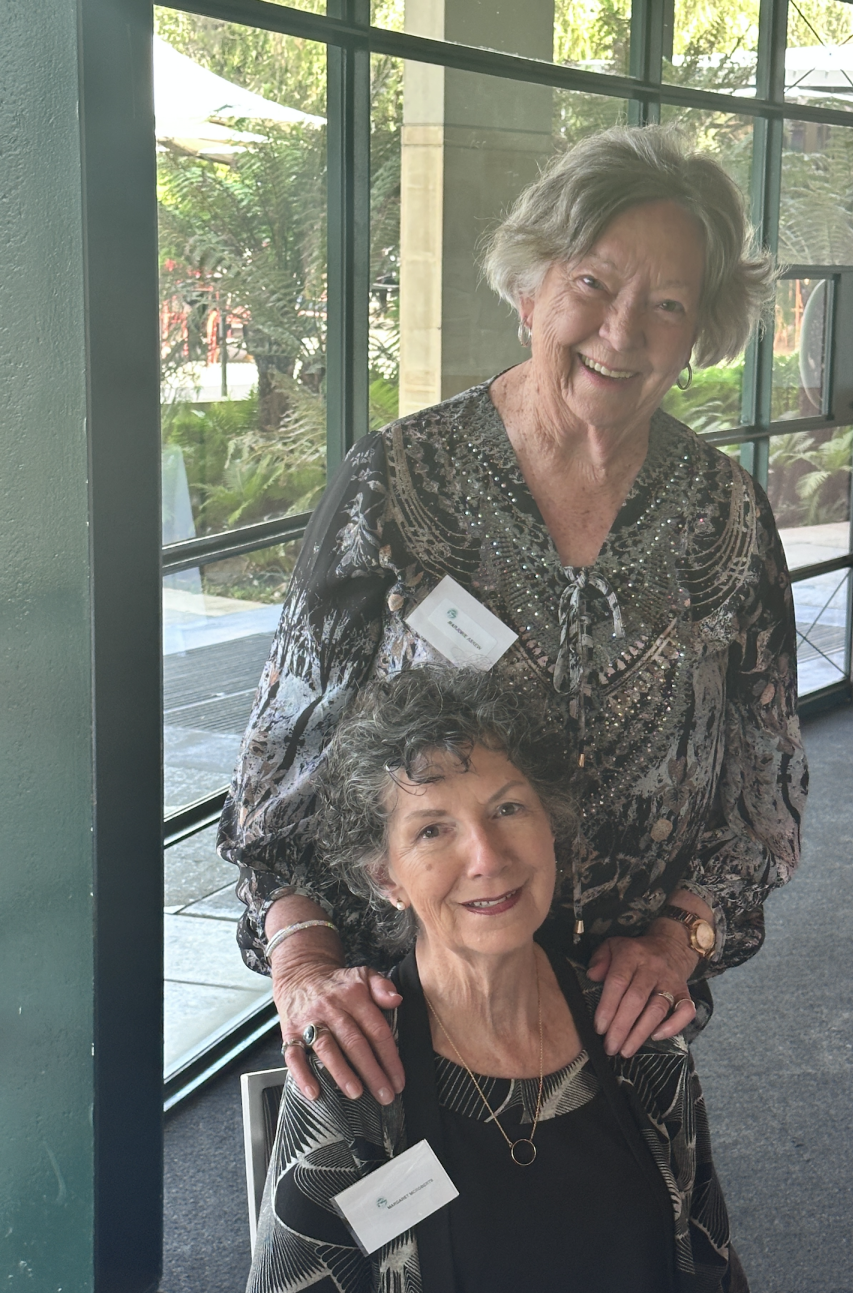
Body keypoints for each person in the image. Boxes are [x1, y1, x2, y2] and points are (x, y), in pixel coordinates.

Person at [218, 123, 808, 1111]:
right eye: (593, 285)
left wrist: (678, 939)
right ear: (531, 286)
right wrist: (305, 962)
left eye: (667, 305)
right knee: (397, 1257)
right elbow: (278, 771)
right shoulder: (399, 485)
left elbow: (764, 787)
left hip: (619, 1026)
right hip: (396, 1023)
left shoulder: (727, 518)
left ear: (700, 332)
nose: (624, 332)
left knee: (612, 1251)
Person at [233, 668, 752, 1293]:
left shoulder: (641, 1046)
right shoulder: (354, 1082)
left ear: (553, 828)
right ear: (387, 877)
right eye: (432, 829)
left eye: (509, 808)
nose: (486, 855)